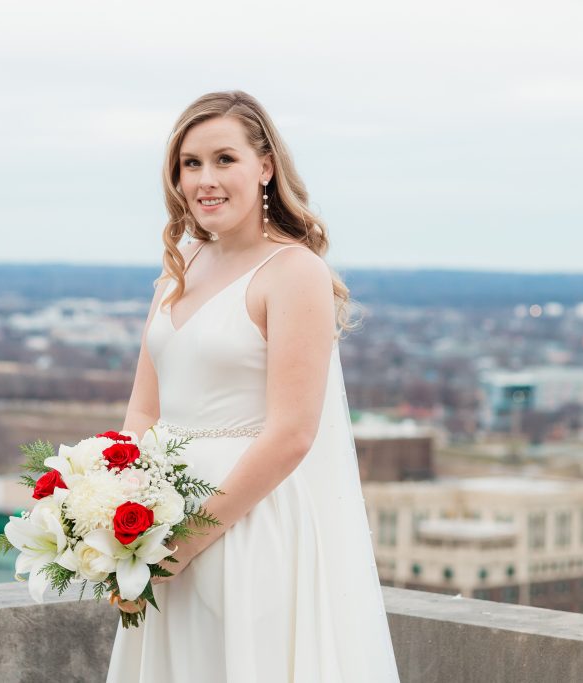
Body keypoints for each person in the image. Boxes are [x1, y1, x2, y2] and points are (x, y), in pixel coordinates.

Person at [106, 90, 399, 682]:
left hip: (247, 526)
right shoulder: (177, 269)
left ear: (264, 167)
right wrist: (114, 511)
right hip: (161, 518)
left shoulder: (294, 272)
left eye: (224, 159)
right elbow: (143, 408)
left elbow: (292, 433)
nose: (205, 179)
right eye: (190, 164)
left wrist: (184, 543)